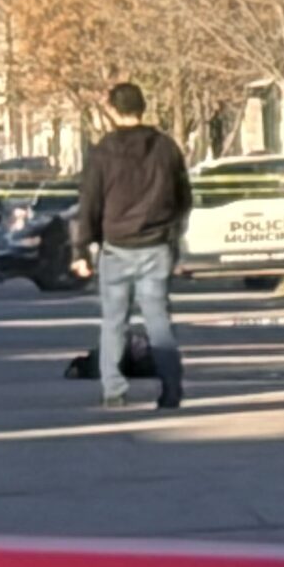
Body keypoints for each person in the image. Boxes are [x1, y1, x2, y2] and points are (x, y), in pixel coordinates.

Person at [72, 80, 193, 411]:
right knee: (159, 321)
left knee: (114, 322)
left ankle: (114, 390)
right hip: (156, 247)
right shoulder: (165, 147)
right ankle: (171, 388)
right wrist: (172, 234)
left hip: (116, 248)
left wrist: (81, 250)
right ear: (143, 107)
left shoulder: (103, 151)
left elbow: (90, 202)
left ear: (112, 110)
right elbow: (184, 198)